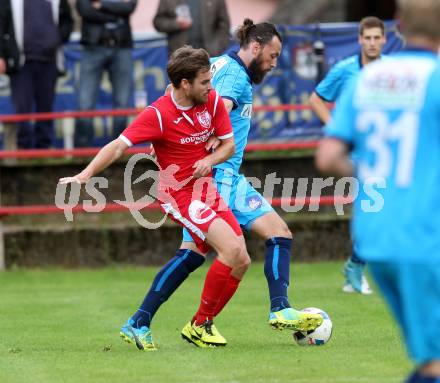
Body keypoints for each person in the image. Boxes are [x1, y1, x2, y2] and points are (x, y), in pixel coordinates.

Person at [126, 19, 324, 350]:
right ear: (256, 47)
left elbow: (171, 93)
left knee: (191, 255)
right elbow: (221, 107)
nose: (274, 65)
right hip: (221, 177)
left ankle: (143, 319)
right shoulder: (233, 74)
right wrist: (212, 139)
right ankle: (278, 308)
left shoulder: (216, 63)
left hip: (207, 178)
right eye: (272, 56)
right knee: (278, 234)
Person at [60, 46, 254, 351]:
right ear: (185, 84)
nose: (211, 87)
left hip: (207, 190)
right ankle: (200, 325)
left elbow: (228, 146)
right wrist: (85, 175)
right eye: (204, 82)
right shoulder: (158, 114)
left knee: (240, 259)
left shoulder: (212, 100)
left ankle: (141, 321)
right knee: (229, 250)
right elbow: (118, 146)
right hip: (179, 194)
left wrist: (211, 160)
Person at [315, 0, 440, 381]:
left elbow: (329, 157)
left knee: (430, 361)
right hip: (424, 235)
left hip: (374, 236)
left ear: (398, 27)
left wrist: (375, 176)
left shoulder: (366, 79)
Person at [309, 16, 387, 295]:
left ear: (384, 40)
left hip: (384, 152)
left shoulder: (391, 71)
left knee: (379, 212)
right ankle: (355, 267)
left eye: (377, 37)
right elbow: (316, 98)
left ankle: (355, 267)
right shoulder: (345, 70)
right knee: (373, 210)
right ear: (359, 40)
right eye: (368, 37)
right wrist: (334, 129)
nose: (372, 42)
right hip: (355, 153)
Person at [0, 0, 73, 149]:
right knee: (22, 108)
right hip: (21, 64)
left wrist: (56, 39)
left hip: (49, 62)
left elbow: (67, 21)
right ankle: (23, 149)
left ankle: (44, 148)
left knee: (46, 108)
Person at [74, 0, 137, 147]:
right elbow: (84, 9)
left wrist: (101, 5)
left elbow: (129, 7)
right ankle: (82, 154)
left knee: (122, 102)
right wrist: (116, 14)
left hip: (121, 46)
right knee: (85, 102)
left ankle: (119, 150)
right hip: (93, 47)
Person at [153, 0, 230, 56]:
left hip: (209, 56)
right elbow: (158, 22)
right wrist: (176, 24)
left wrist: (217, 47)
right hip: (179, 57)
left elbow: (224, 25)